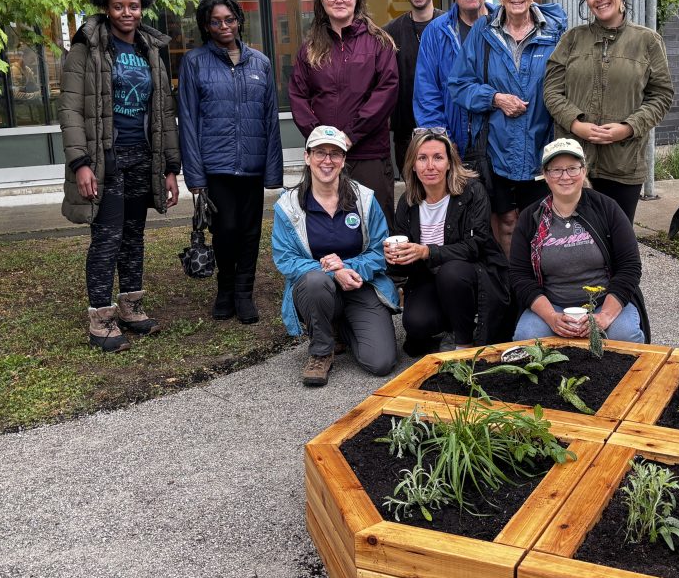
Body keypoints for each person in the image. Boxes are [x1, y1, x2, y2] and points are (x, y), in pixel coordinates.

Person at [59, 0, 180, 352]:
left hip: (142, 156)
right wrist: (81, 163)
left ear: (142, 7)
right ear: (106, 8)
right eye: (118, 6)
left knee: (133, 236)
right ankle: (101, 318)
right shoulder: (87, 49)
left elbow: (163, 110)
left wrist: (170, 167)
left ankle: (131, 308)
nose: (126, 13)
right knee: (107, 239)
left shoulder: (150, 48)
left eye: (133, 6)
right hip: (104, 159)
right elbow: (71, 109)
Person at [448, 0, 567, 256]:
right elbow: (458, 84)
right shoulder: (483, 32)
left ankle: (539, 287)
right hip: (496, 149)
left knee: (542, 222)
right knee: (507, 222)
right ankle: (515, 289)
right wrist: (495, 98)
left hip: (543, 146)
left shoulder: (555, 34)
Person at [543, 0, 674, 223]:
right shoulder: (571, 40)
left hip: (623, 163)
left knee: (617, 242)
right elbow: (551, 91)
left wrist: (627, 128)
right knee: (575, 240)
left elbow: (661, 96)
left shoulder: (647, 41)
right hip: (574, 162)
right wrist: (576, 124)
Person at [178, 0, 284, 324]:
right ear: (205, 27)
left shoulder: (261, 63)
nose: (224, 26)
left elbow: (270, 121)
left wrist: (272, 172)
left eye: (230, 19)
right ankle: (225, 291)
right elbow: (189, 121)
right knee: (226, 230)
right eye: (215, 21)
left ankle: (244, 293)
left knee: (251, 231)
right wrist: (194, 176)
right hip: (216, 166)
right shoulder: (194, 62)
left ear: (239, 20)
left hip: (251, 166)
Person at [272, 125, 399, 387]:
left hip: (361, 285)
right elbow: (285, 259)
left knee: (381, 362)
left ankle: (340, 327)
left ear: (343, 160)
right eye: (320, 152)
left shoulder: (364, 199)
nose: (327, 160)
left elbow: (379, 251)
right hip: (317, 288)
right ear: (307, 157)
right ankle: (321, 350)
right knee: (315, 281)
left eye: (335, 154)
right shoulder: (289, 205)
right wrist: (333, 271)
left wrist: (349, 267)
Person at [509, 138, 650, 344]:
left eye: (572, 169)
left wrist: (605, 317)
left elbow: (630, 267)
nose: (565, 176)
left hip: (604, 303)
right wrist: (551, 317)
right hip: (554, 306)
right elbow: (520, 276)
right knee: (527, 337)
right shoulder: (531, 218)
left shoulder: (607, 209)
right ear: (545, 176)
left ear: (583, 171)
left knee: (624, 335)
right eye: (556, 170)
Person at [288, 0, 399, 229]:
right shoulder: (310, 48)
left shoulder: (378, 42)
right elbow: (298, 95)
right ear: (322, 0)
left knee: (374, 220)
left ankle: (379, 270)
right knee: (329, 221)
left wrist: (350, 135)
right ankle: (331, 269)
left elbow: (386, 91)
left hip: (368, 151)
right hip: (325, 154)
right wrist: (322, 138)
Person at [387, 127, 511, 355]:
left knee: (451, 272)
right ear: (413, 165)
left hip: (474, 275)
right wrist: (395, 258)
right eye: (422, 158)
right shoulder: (408, 201)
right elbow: (404, 266)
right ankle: (452, 323)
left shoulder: (472, 191)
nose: (430, 166)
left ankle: (463, 342)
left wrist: (427, 252)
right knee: (416, 324)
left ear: (450, 163)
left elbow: (477, 246)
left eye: (438, 157)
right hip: (430, 279)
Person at [413, 0, 494, 156]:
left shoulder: (503, 25)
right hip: (455, 143)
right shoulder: (436, 32)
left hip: (498, 142)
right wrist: (442, 140)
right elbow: (427, 93)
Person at [384, 0, 444, 177]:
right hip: (405, 134)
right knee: (413, 195)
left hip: (446, 131)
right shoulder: (390, 33)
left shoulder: (451, 27)